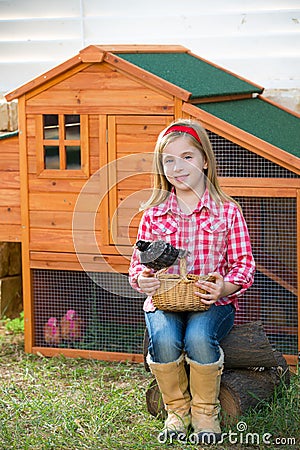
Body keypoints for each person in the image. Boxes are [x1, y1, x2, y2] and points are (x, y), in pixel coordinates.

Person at [129, 119, 255, 444]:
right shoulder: (153, 214)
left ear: (205, 161)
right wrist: (144, 281)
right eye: (168, 160)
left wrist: (223, 287)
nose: (177, 167)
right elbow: (137, 269)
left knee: (199, 337)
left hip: (213, 302)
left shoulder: (227, 212)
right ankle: (177, 410)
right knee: (166, 339)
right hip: (165, 300)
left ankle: (204, 413)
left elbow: (244, 266)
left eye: (187, 157)